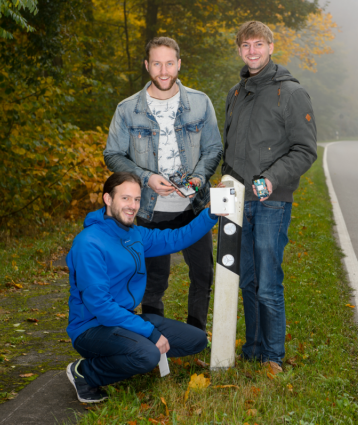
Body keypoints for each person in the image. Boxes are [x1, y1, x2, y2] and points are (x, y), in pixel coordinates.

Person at [65, 172, 219, 403]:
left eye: (137, 199)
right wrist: (150, 333)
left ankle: (129, 355)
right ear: (108, 199)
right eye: (125, 198)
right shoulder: (89, 243)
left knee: (196, 339)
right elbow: (101, 306)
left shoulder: (135, 234)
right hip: (91, 328)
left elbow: (176, 238)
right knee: (148, 354)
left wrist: (211, 213)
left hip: (122, 320)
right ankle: (85, 373)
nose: (133, 206)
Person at [104, 37, 222, 331]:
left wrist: (199, 177)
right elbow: (112, 154)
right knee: (153, 281)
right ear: (147, 65)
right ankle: (156, 341)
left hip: (193, 206)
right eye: (157, 63)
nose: (164, 70)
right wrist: (147, 178)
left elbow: (213, 149)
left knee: (203, 274)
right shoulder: (128, 109)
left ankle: (195, 335)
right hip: (149, 209)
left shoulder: (200, 102)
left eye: (169, 63)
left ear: (179, 64)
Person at [222, 21, 318, 372]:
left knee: (267, 283)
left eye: (258, 44)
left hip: (271, 202)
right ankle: (253, 349)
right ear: (239, 50)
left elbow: (305, 149)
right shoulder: (235, 94)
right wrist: (224, 184)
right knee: (247, 280)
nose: (252, 51)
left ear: (271, 47)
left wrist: (271, 179)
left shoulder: (290, 93)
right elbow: (231, 149)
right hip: (238, 203)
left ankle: (273, 357)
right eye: (246, 45)